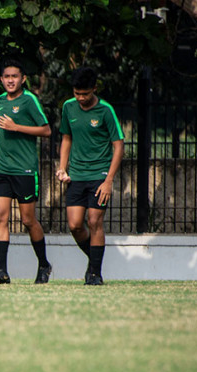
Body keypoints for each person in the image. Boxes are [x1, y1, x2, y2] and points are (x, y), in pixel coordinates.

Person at [0, 58, 52, 284]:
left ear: (22, 79)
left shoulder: (29, 100)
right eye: (6, 77)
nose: (10, 80)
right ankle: (2, 271)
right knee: (0, 216)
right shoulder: (0, 100)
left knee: (28, 219)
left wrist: (16, 127)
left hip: (25, 169)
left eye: (14, 76)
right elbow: (4, 128)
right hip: (3, 168)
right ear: (1, 80)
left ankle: (44, 264)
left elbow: (46, 130)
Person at [56, 66, 125, 286]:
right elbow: (66, 139)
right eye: (77, 93)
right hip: (76, 175)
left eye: (85, 93)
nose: (81, 98)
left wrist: (108, 180)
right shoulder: (68, 107)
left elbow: (119, 146)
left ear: (94, 89)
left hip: (99, 175)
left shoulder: (106, 110)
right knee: (75, 225)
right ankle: (94, 261)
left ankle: (95, 273)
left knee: (94, 221)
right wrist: (62, 168)